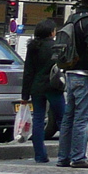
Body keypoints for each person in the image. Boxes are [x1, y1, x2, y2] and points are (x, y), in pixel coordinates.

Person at [56, 0, 88, 169]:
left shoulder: (73, 18)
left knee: (69, 117)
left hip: (70, 72)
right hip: (83, 75)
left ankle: (63, 157)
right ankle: (78, 157)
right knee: (82, 118)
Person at [20, 19, 63, 163]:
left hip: (36, 87)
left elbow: (28, 72)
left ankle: (40, 155)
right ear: (51, 33)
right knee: (62, 119)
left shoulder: (33, 47)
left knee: (38, 120)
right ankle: (64, 154)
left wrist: (24, 95)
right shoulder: (56, 47)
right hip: (53, 86)